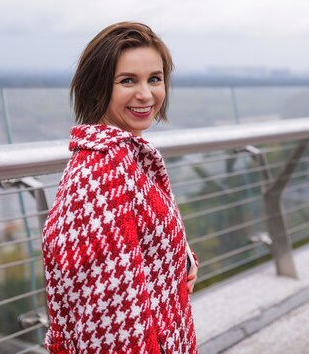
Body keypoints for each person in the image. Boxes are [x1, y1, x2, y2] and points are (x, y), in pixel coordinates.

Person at [42, 22, 198, 354]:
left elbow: (140, 246)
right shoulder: (103, 171)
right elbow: (111, 317)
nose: (146, 94)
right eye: (128, 80)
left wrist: (182, 260)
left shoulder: (126, 156)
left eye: (155, 79)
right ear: (98, 87)